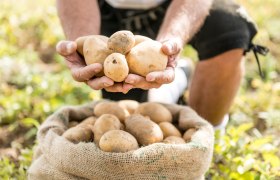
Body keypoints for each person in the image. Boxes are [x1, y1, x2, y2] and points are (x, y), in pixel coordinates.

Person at [55, 0, 258, 129]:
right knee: (130, 106)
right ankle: (179, 79)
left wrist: (169, 42)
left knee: (230, 29)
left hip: (176, 6)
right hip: (106, 12)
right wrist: (83, 43)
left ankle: (206, 135)